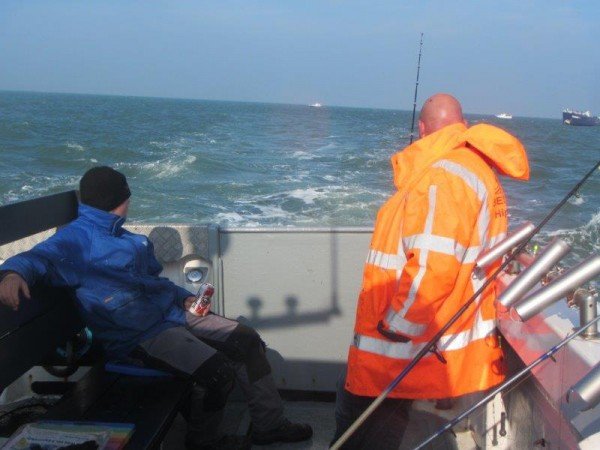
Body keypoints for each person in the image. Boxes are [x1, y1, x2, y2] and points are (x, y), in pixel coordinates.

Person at [0, 166, 313, 450]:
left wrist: (182, 298)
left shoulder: (128, 239)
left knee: (246, 339)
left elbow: (153, 283)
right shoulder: (76, 241)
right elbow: (37, 257)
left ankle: (269, 426)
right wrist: (12, 274)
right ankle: (205, 442)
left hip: (171, 315)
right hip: (138, 336)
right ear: (120, 200)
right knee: (217, 373)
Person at [332, 94, 530, 449]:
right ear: (461, 125)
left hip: (402, 345)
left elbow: (435, 266)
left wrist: (396, 327)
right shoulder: (476, 170)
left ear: (422, 129)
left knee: (360, 424)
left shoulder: (442, 176)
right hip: (436, 335)